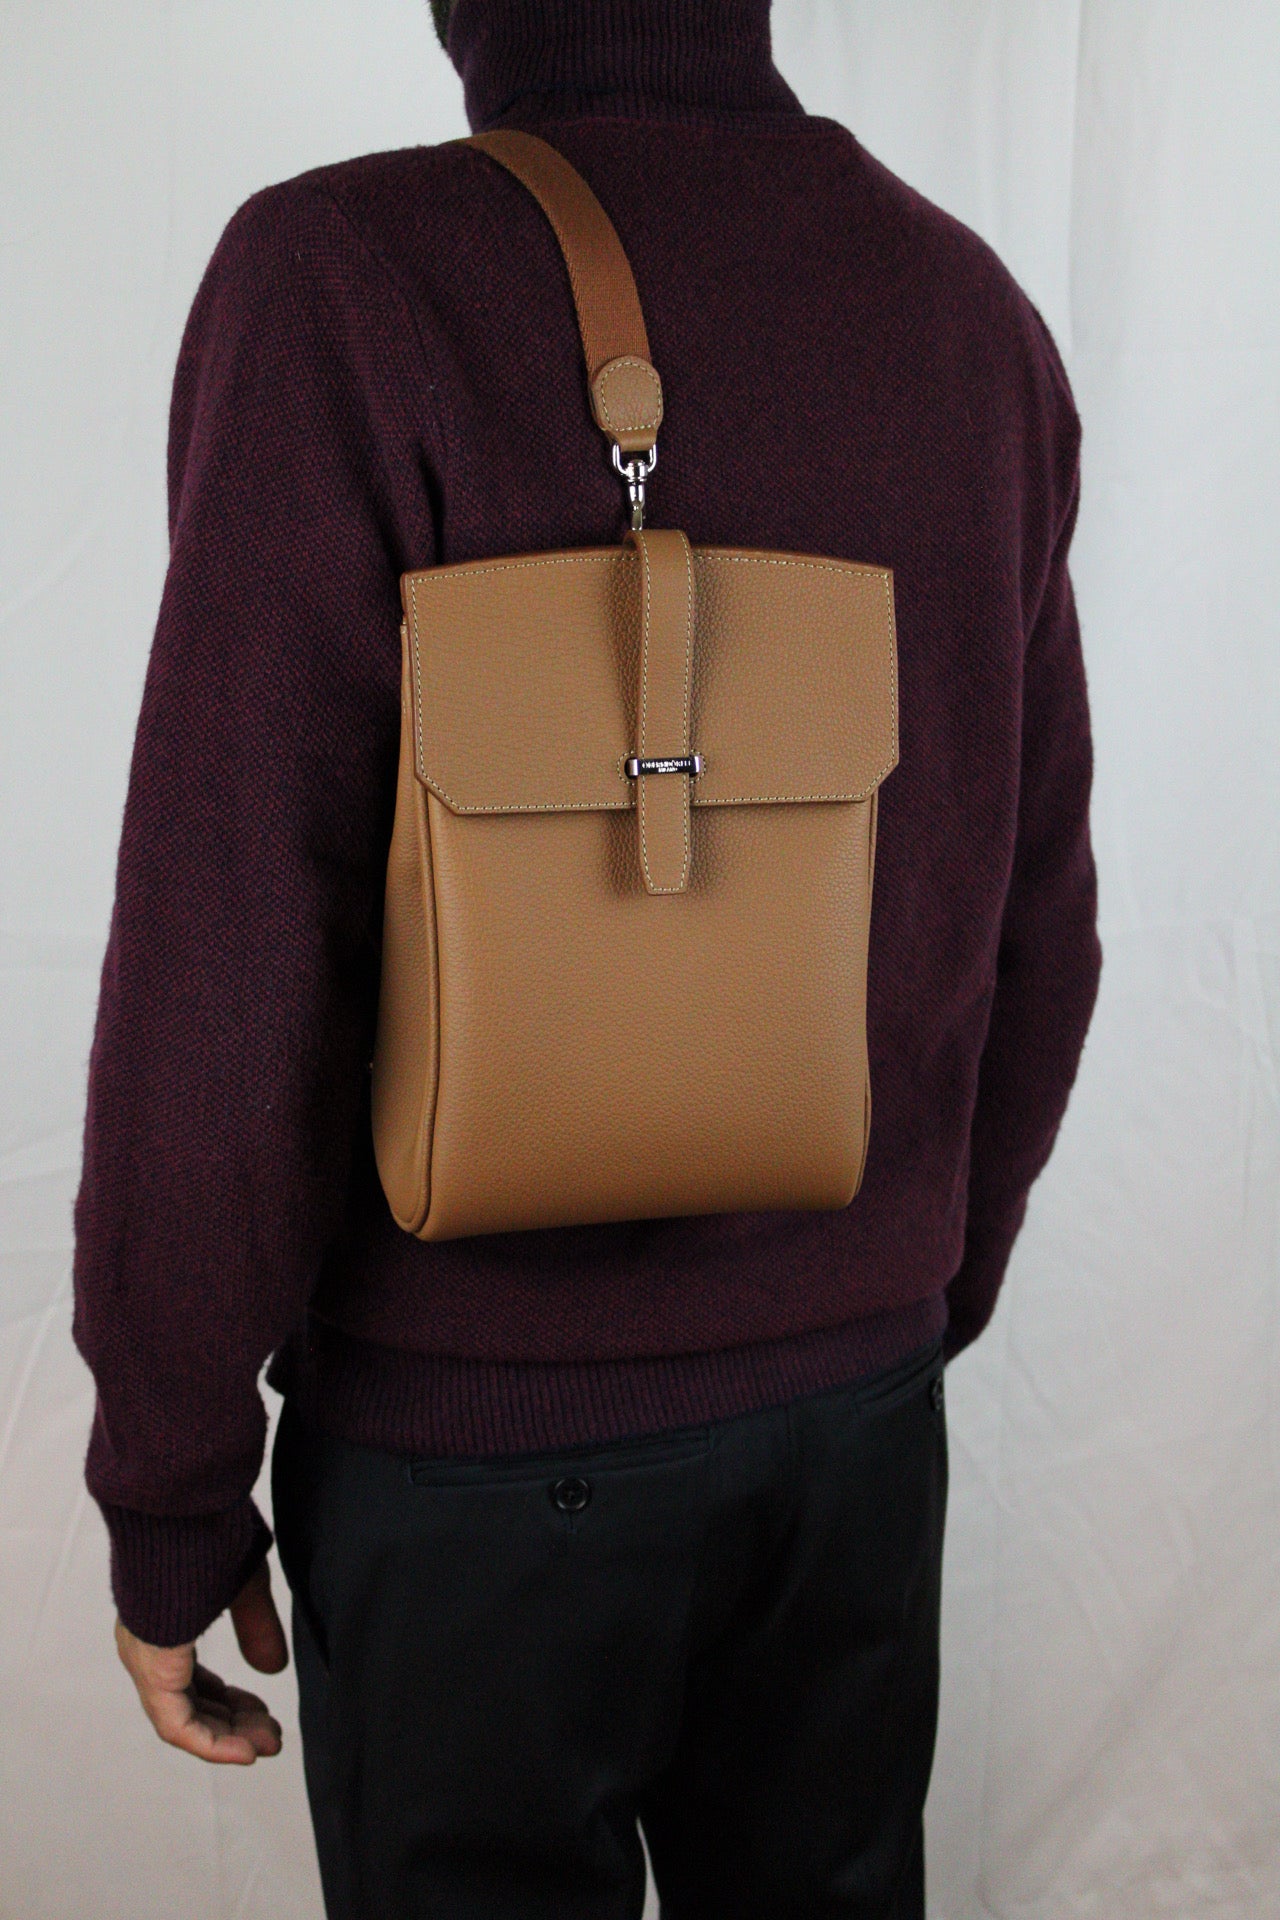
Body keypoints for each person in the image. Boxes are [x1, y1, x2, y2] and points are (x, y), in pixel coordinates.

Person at [72, 1, 1101, 1913]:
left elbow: (228, 958)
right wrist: (892, 1306)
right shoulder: (971, 313)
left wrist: (171, 1474)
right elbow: (1043, 917)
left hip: (471, 1456)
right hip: (857, 1435)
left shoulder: (346, 276)